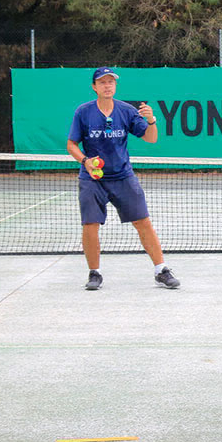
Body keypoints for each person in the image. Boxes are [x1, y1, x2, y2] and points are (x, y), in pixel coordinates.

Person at [66, 66, 180, 291]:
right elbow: (71, 144)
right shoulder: (83, 112)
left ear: (115, 86)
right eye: (102, 82)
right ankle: (94, 273)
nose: (107, 85)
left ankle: (161, 270)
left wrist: (152, 121)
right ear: (94, 87)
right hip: (93, 178)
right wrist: (85, 161)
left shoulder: (126, 111)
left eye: (111, 82)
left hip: (123, 176)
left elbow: (151, 139)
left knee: (143, 222)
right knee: (90, 224)